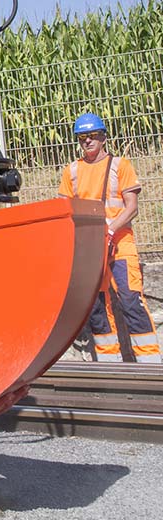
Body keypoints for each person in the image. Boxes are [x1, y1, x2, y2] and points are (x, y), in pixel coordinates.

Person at [59, 112, 161, 362]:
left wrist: (111, 229)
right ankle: (108, 362)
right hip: (91, 250)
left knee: (130, 301)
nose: (87, 141)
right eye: (82, 137)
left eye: (92, 136)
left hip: (120, 245)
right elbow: (64, 211)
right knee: (97, 308)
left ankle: (150, 362)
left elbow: (132, 207)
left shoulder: (120, 165)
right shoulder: (71, 171)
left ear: (103, 137)